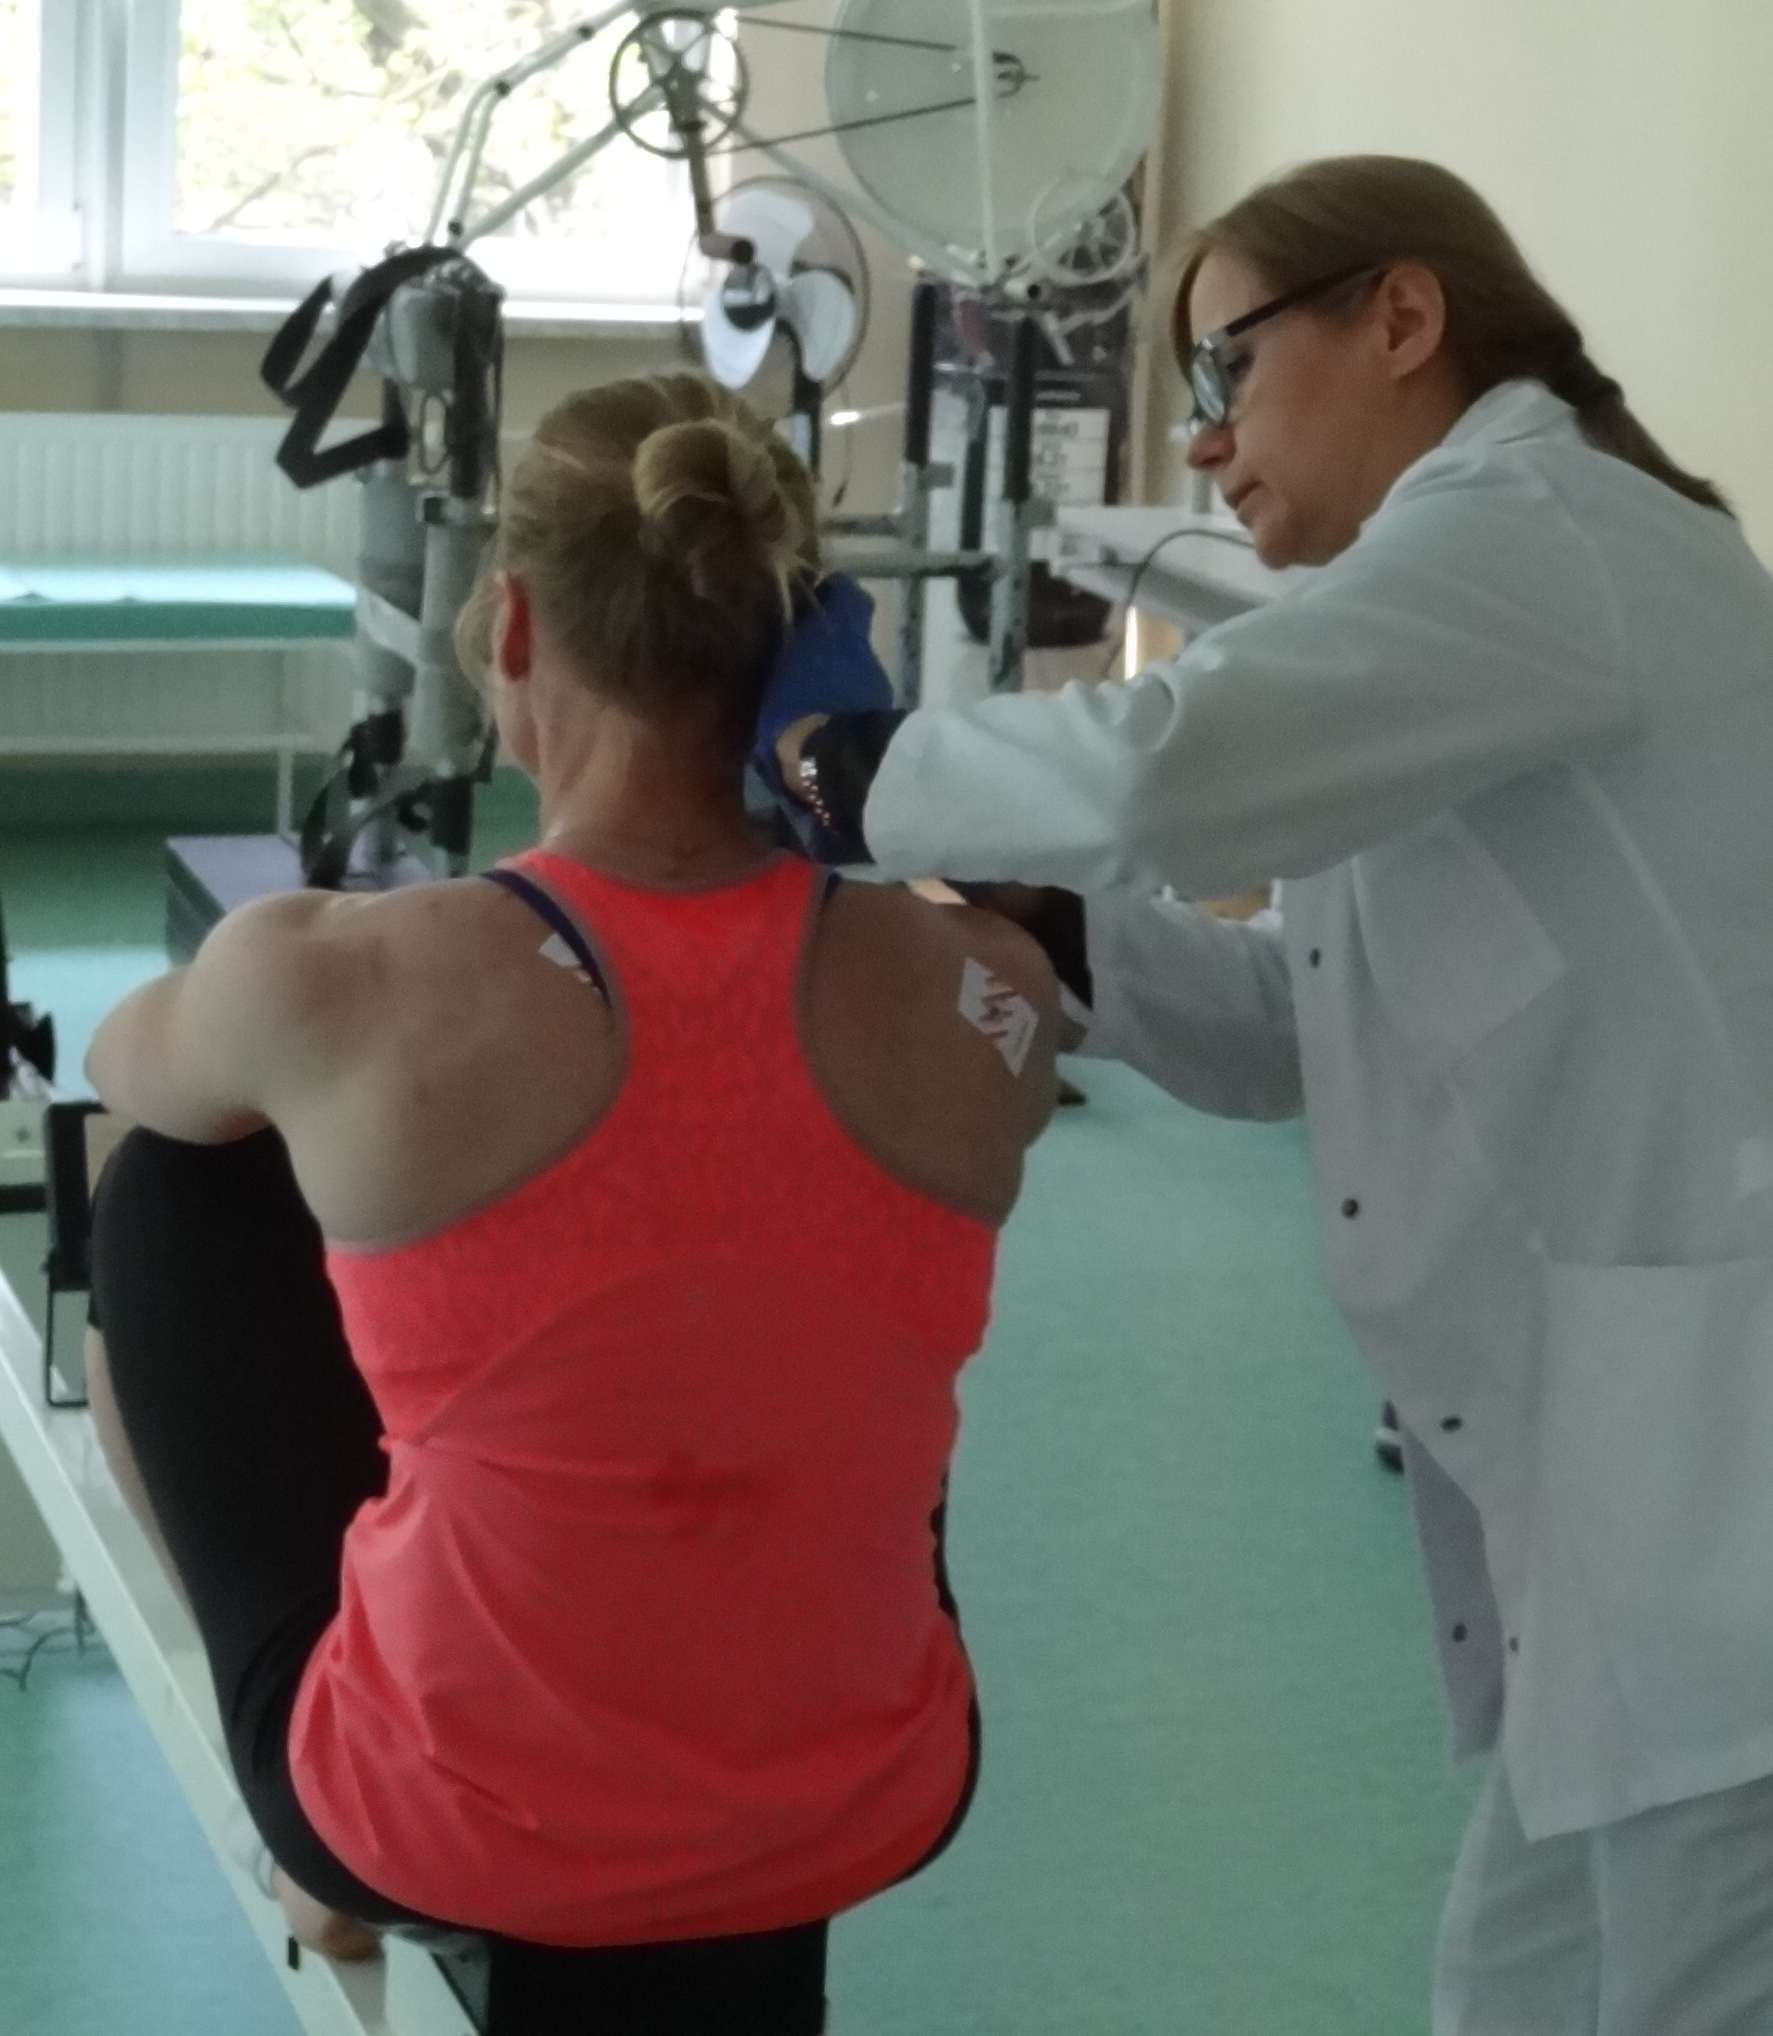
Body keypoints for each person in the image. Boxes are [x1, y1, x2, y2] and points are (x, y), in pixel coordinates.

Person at [769, 155, 1773, 2036]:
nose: (1207, 445)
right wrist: (1054, 926)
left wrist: (851, 773)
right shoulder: (1453, 629)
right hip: (1648, 1514)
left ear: (1402, 318)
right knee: (1514, 1992)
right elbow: (1303, 1025)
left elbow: (1164, 766)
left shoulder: (1540, 527)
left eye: (1226, 372)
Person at [82, 373, 1058, 2031]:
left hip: (441, 1820)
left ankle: (323, 1842)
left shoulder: (332, 978)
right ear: (800, 644)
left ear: (517, 624)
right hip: (872, 1796)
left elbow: (129, 1059)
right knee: (818, 1293)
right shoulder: (990, 1003)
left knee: (175, 1176)